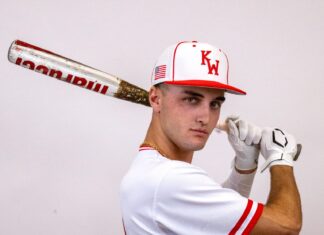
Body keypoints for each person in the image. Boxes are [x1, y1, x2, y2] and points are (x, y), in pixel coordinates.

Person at [120, 41, 302, 234]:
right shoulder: (168, 180)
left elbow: (214, 219)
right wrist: (280, 158)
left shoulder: (152, 171)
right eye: (192, 99)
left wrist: (244, 167)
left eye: (215, 104)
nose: (205, 118)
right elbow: (287, 225)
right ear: (156, 99)